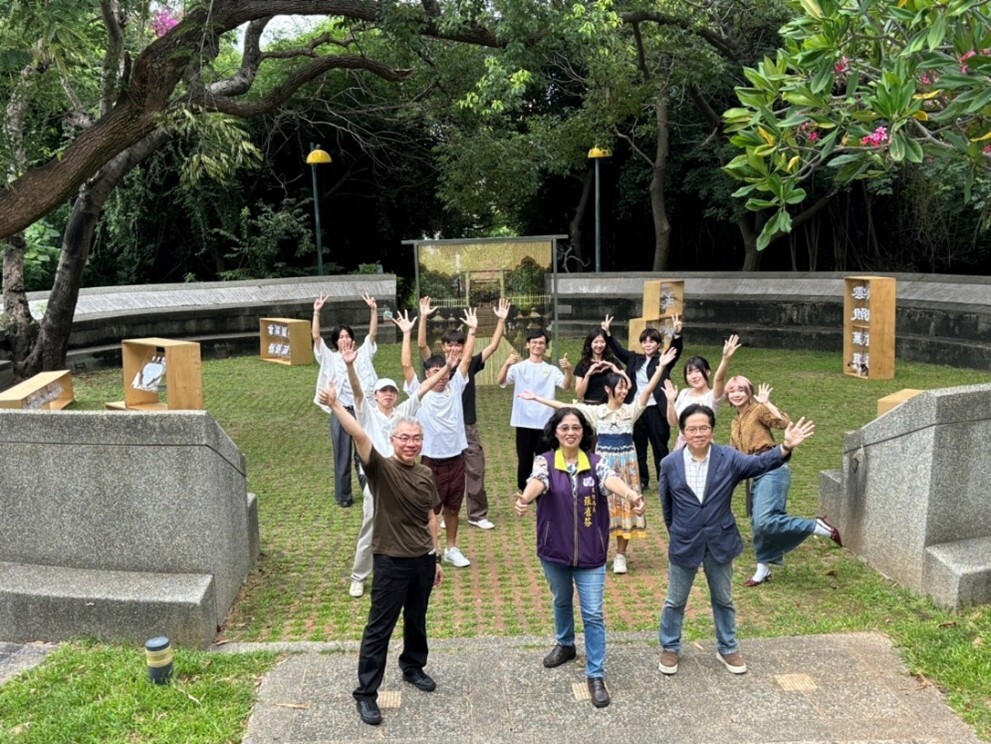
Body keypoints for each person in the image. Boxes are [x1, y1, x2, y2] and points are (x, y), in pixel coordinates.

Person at [318, 380, 443, 728]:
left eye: (415, 439)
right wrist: (336, 405)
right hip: (389, 561)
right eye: (403, 438)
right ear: (393, 440)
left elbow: (431, 515)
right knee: (379, 629)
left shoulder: (425, 473)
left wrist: (436, 555)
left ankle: (413, 666)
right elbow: (359, 436)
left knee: (417, 619)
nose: (410, 443)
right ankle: (366, 694)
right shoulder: (381, 469)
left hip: (422, 560)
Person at [658, 403, 815, 677]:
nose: (698, 433)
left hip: (720, 540)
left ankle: (727, 646)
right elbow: (667, 508)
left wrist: (785, 448)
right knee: (675, 600)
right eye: (692, 429)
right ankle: (670, 647)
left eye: (704, 428)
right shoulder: (669, 464)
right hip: (684, 541)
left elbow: (759, 463)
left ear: (712, 430)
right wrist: (681, 532)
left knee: (724, 599)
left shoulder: (727, 457)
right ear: (683, 432)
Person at [514, 407, 643, 709]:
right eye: (564, 428)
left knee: (594, 613)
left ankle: (595, 674)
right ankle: (566, 644)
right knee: (561, 600)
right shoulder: (544, 462)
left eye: (576, 427)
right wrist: (525, 498)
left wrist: (631, 496)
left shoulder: (597, 463)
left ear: (584, 432)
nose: (570, 432)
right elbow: (537, 481)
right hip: (554, 551)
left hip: (591, 553)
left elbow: (611, 480)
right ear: (555, 432)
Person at [518, 344, 677, 574]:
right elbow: (565, 406)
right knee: (601, 509)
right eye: (619, 388)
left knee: (626, 507)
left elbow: (646, 392)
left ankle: (621, 555)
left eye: (625, 388)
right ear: (608, 389)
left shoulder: (630, 412)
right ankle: (601, 548)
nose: (623, 392)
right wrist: (537, 398)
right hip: (602, 468)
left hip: (627, 468)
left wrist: (660, 367)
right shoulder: (597, 412)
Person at [343, 311, 451, 598]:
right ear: (376, 395)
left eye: (392, 391)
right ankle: (358, 576)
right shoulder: (366, 412)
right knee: (371, 526)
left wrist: (446, 367)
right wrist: (350, 367)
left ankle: (418, 564)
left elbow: (425, 388)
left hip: (406, 477)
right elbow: (355, 392)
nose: (389, 395)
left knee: (415, 521)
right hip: (377, 479)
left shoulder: (404, 412)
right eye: (383, 392)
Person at [724, 375, 842, 587]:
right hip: (752, 471)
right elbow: (734, 452)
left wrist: (766, 402)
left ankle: (816, 525)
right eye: (732, 390)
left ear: (749, 392)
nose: (736, 393)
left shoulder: (758, 410)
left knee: (764, 521)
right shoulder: (735, 421)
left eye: (741, 389)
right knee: (756, 523)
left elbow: (784, 423)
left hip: (772, 466)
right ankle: (763, 568)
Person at [417, 296, 511, 530]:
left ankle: (477, 514)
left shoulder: (467, 366)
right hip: (438, 430)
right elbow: (420, 346)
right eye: (450, 345)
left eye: (458, 344)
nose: (454, 349)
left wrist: (501, 320)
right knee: (437, 472)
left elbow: (492, 346)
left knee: (476, 468)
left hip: (467, 426)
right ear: (443, 346)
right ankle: (436, 513)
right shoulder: (435, 365)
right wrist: (424, 316)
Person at [406, 308, 478, 568]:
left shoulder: (455, 386)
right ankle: (429, 549)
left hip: (456, 457)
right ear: (427, 374)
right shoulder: (420, 391)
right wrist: (408, 332)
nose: (441, 375)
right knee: (430, 508)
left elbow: (467, 359)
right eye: (435, 371)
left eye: (444, 371)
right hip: (430, 460)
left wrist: (471, 330)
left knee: (453, 507)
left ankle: (451, 548)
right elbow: (407, 363)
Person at [601, 314, 683, 489]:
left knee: (660, 445)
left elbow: (676, 350)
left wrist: (676, 334)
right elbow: (617, 349)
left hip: (657, 409)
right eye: (644, 341)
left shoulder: (663, 360)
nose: (647, 344)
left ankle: (665, 480)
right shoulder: (633, 358)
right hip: (636, 409)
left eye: (652, 341)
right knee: (638, 446)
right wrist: (607, 333)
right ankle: (642, 480)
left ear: (658, 344)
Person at [313, 292, 378, 507]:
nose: (344, 339)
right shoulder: (329, 358)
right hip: (340, 411)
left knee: (364, 451)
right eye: (340, 337)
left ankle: (369, 489)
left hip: (361, 410)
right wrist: (316, 312)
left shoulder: (363, 354)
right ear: (336, 341)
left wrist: (373, 310)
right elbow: (315, 338)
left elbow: (373, 335)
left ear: (352, 339)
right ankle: (344, 496)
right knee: (342, 453)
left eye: (347, 336)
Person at [497, 329, 573, 496]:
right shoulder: (519, 367)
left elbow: (566, 386)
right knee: (524, 458)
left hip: (545, 421)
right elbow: (501, 381)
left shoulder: (551, 369)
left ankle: (543, 487)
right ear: (528, 345)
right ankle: (525, 490)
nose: (538, 346)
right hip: (523, 420)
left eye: (541, 343)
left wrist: (568, 370)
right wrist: (507, 364)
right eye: (534, 343)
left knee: (544, 458)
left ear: (545, 346)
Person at [663, 334, 739, 450]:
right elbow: (673, 423)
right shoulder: (684, 393)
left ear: (708, 372)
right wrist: (670, 402)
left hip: (703, 445)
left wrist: (725, 358)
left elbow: (719, 378)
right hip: (682, 446)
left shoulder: (713, 396)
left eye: (698, 371)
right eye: (689, 373)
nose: (694, 376)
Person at [574, 327, 623, 404]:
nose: (599, 345)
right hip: (590, 407)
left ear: (606, 343)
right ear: (590, 343)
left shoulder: (613, 362)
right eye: (596, 342)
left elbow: (626, 383)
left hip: (609, 406)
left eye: (602, 342)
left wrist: (613, 367)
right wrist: (588, 375)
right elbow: (579, 395)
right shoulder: (582, 364)